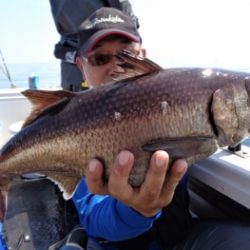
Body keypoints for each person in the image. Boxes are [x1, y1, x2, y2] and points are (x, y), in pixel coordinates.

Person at [57, 7, 250, 250]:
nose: (116, 66)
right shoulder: (72, 123)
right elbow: (94, 218)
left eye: (126, 55)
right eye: (100, 58)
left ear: (143, 55)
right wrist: (138, 209)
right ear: (81, 66)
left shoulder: (174, 95)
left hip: (178, 240)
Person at [49, 0, 139, 91]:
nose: (116, 69)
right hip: (76, 72)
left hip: (77, 66)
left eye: (127, 55)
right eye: (100, 59)